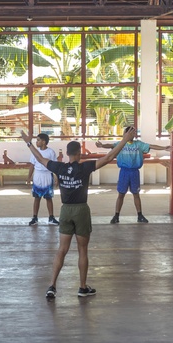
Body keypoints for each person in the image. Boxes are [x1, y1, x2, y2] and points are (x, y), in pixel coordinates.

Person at [21, 127, 134, 298]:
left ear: (67, 154)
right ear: (79, 154)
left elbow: (40, 158)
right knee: (82, 250)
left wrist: (28, 142)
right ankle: (82, 287)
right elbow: (109, 157)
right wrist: (124, 140)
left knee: (62, 250)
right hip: (81, 210)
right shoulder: (85, 168)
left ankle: (52, 286)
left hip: (65, 211)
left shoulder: (58, 167)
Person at [95, 128, 171, 224]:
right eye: (130, 133)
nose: (133, 135)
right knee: (121, 194)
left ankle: (140, 216)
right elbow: (110, 145)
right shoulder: (120, 144)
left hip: (134, 172)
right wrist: (102, 145)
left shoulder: (138, 144)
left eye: (134, 133)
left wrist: (164, 148)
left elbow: (151, 146)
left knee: (136, 194)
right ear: (126, 134)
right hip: (124, 172)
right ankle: (116, 216)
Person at [26, 132, 58, 226]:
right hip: (38, 176)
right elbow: (32, 165)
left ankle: (51, 218)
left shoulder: (51, 152)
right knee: (37, 198)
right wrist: (29, 177)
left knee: (49, 198)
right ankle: (35, 217)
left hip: (48, 175)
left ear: (44, 142)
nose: (36, 142)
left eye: (38, 140)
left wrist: (57, 177)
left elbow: (55, 166)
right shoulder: (35, 152)